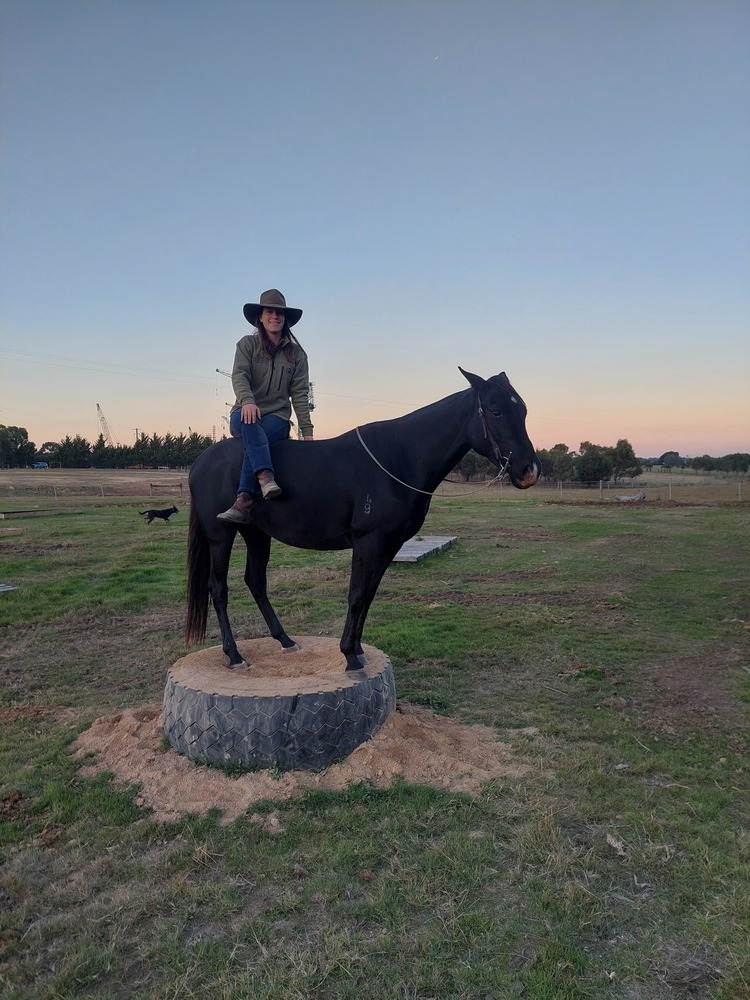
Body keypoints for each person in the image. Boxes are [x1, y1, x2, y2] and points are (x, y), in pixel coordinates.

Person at [217, 289, 313, 524]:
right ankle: (264, 476)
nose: (275, 316)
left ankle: (244, 500)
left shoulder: (297, 355)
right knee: (250, 421)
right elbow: (239, 376)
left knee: (260, 432)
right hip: (245, 412)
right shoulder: (247, 345)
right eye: (269, 311)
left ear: (285, 318)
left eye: (280, 313)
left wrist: (308, 432)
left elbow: (299, 394)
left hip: (277, 417)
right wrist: (248, 401)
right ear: (260, 317)